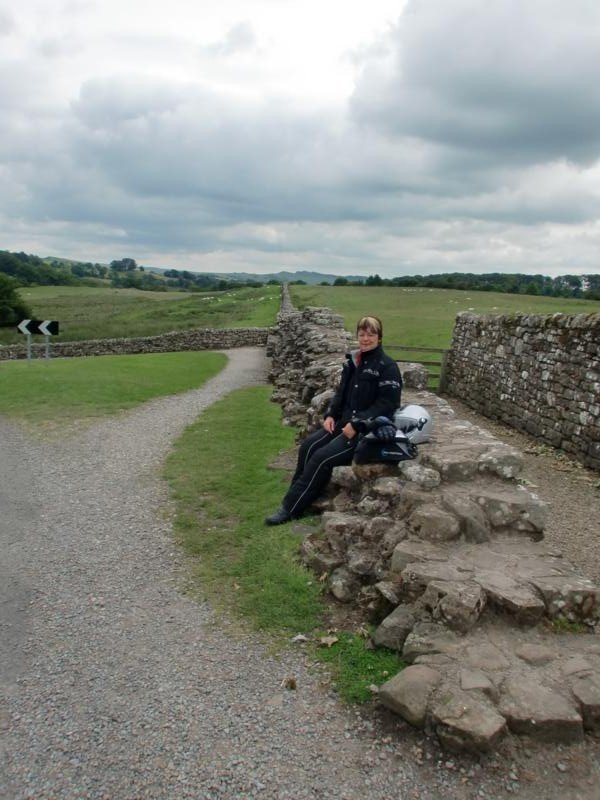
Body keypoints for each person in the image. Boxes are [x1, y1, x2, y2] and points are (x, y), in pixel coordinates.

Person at [265, 315, 402, 525]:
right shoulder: (353, 362)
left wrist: (357, 423)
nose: (366, 339)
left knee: (321, 458)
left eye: (371, 334)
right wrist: (330, 414)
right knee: (307, 447)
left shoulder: (387, 366)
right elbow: (341, 394)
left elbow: (387, 403)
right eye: (362, 334)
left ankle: (290, 509)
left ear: (379, 337)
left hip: (363, 431)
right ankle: (298, 497)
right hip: (341, 423)